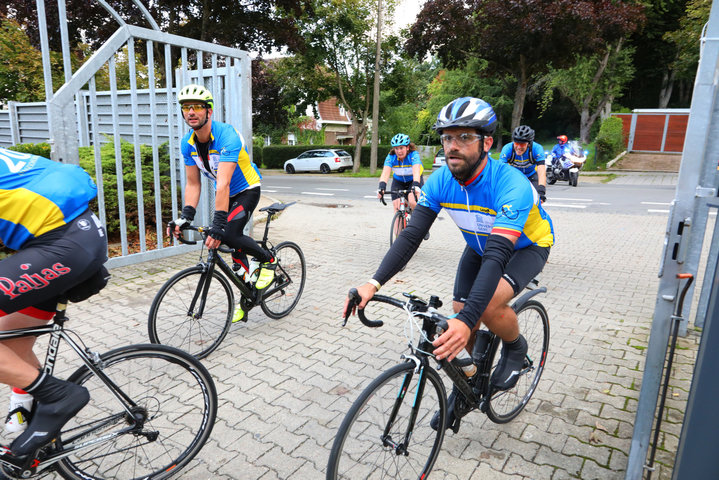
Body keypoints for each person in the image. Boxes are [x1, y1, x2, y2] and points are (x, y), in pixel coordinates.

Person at [343, 97, 554, 430]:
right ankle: (465, 387)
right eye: (447, 138)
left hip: (524, 247)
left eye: (464, 137)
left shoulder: (510, 183)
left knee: (483, 308)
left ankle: (515, 347)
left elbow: (498, 256)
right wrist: (373, 282)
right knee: (460, 310)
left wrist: (469, 318)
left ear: (486, 142)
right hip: (479, 244)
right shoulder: (441, 180)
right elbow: (410, 237)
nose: (452, 146)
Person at [0, 147, 108, 457]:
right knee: (10, 346)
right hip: (67, 237)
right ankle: (28, 422)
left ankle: (59, 397)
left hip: (66, 243)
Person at [170, 84, 273, 324]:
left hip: (246, 190)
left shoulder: (227, 135)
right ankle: (247, 295)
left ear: (209, 111)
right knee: (231, 242)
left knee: (228, 232)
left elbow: (223, 184)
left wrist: (218, 224)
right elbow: (193, 184)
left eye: (196, 107)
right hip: (226, 193)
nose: (191, 112)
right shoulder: (188, 144)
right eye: (186, 107)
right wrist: (185, 215)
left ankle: (268, 259)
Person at [498, 125, 547, 203]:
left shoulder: (537, 149)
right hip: (515, 176)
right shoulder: (507, 149)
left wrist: (541, 191)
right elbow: (501, 171)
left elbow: (541, 173)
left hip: (531, 175)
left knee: (537, 201)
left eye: (522, 144)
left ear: (529, 143)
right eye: (516, 143)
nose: (519, 147)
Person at [377, 133, 424, 211]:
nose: (399, 151)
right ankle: (399, 221)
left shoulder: (413, 155)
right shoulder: (391, 157)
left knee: (413, 201)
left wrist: (416, 185)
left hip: (413, 180)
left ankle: (417, 221)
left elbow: (416, 172)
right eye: (396, 148)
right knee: (397, 206)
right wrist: (381, 187)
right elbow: (385, 173)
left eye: (401, 148)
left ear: (407, 147)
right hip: (398, 181)